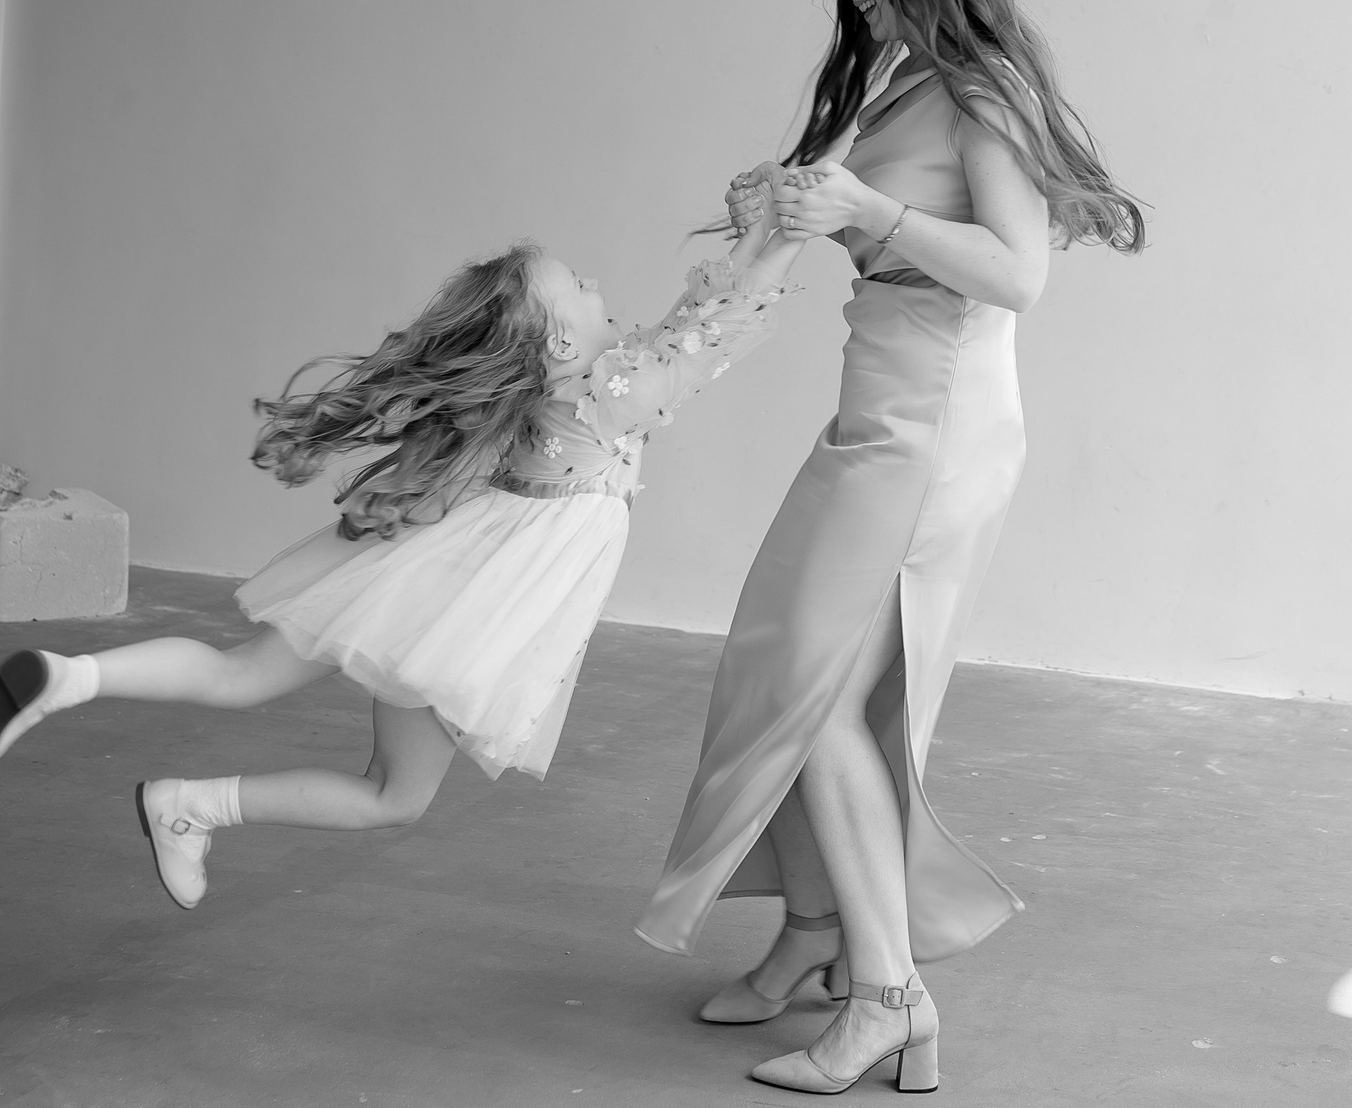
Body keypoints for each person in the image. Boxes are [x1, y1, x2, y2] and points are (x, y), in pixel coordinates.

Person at [637, 0, 1143, 1099]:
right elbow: (886, 228)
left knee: (816, 697)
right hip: (881, 421)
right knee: (792, 678)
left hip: (933, 434)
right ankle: (815, 935)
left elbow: (1018, 274)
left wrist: (865, 210)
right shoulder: (911, 76)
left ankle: (888, 995)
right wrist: (797, 203)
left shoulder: (983, 89)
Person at [0, 203, 799, 907]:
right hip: (464, 609)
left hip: (426, 569)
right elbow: (704, 339)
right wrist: (791, 234)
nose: (598, 287)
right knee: (392, 795)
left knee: (239, 673)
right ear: (560, 339)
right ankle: (191, 806)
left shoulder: (581, 389)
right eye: (579, 285)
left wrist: (765, 226)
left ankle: (68, 678)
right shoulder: (606, 401)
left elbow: (688, 328)